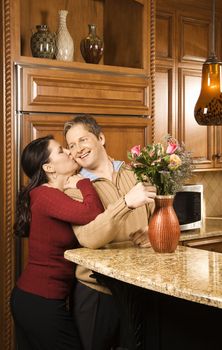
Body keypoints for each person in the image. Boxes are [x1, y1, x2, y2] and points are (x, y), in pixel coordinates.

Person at [64, 114, 157, 350]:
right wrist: (126, 202)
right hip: (96, 291)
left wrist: (154, 229)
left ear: (101, 138)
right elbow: (88, 237)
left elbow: (160, 214)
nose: (77, 150)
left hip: (139, 286)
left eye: (83, 140)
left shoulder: (136, 173)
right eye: (72, 145)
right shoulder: (74, 187)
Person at [10, 135, 105, 350]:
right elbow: (93, 213)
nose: (71, 152)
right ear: (49, 167)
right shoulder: (44, 195)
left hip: (37, 299)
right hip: (39, 302)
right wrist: (83, 181)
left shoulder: (55, 195)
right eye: (62, 151)